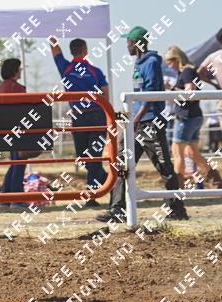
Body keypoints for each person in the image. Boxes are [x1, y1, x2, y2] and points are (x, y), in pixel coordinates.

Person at [96, 26, 188, 222]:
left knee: (164, 168)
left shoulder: (152, 62)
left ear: (136, 43)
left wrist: (135, 119)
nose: (126, 46)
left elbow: (151, 94)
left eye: (128, 42)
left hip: (150, 124)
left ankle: (177, 210)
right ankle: (117, 210)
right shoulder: (138, 63)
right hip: (137, 123)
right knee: (121, 162)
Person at [50, 37, 109, 206]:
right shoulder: (95, 71)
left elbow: (55, 51)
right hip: (96, 115)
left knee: (87, 158)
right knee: (90, 158)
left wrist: (51, 35)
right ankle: (110, 180)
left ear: (71, 51)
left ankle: (92, 195)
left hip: (80, 116)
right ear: (85, 51)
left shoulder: (65, 68)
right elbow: (105, 94)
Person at [164, 45, 222, 188]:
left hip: (186, 117)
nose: (169, 66)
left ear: (176, 59)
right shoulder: (189, 71)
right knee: (192, 153)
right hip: (193, 116)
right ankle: (215, 179)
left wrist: (171, 89)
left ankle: (177, 186)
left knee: (177, 151)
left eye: (169, 62)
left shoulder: (187, 71)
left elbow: (189, 91)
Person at [0, 58, 27, 206]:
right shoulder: (17, 88)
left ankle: (6, 196)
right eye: (19, 68)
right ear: (15, 70)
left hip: (6, 129)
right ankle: (16, 198)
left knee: (15, 162)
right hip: (18, 129)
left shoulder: (2, 87)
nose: (21, 71)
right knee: (19, 162)